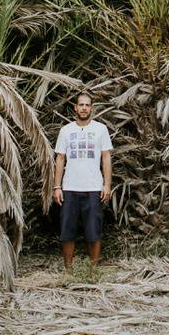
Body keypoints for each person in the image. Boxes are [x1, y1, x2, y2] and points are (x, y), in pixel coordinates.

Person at [53, 91, 113, 269]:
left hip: (93, 188)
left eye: (87, 105)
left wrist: (107, 185)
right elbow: (60, 159)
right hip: (70, 188)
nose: (84, 108)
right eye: (81, 105)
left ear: (91, 108)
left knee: (93, 231)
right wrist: (57, 186)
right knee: (67, 231)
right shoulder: (66, 130)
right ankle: (68, 270)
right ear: (75, 108)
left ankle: (93, 271)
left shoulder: (100, 129)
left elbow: (106, 158)